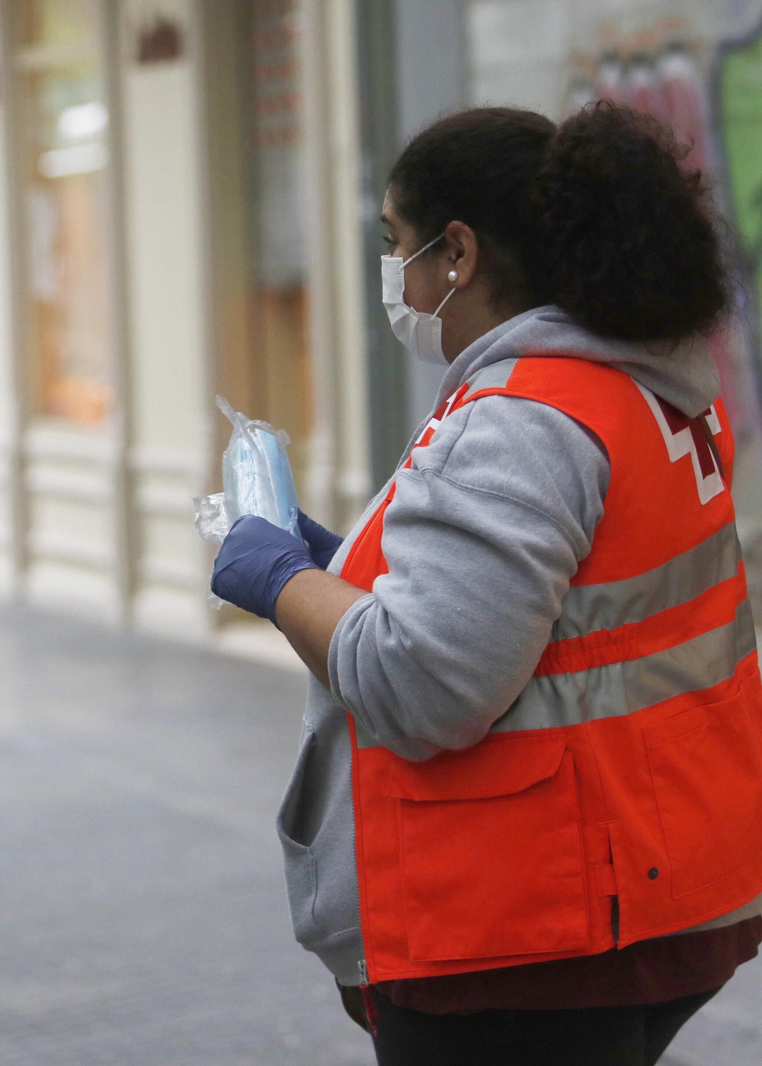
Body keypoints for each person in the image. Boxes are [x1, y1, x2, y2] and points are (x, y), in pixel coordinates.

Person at [210, 103, 762, 1066]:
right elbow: (561, 615)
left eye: (396, 244)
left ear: (456, 253)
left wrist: (277, 577)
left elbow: (426, 686)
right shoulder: (638, 386)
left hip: (525, 928)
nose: (395, 274)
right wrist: (344, 566)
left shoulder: (523, 419)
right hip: (652, 887)